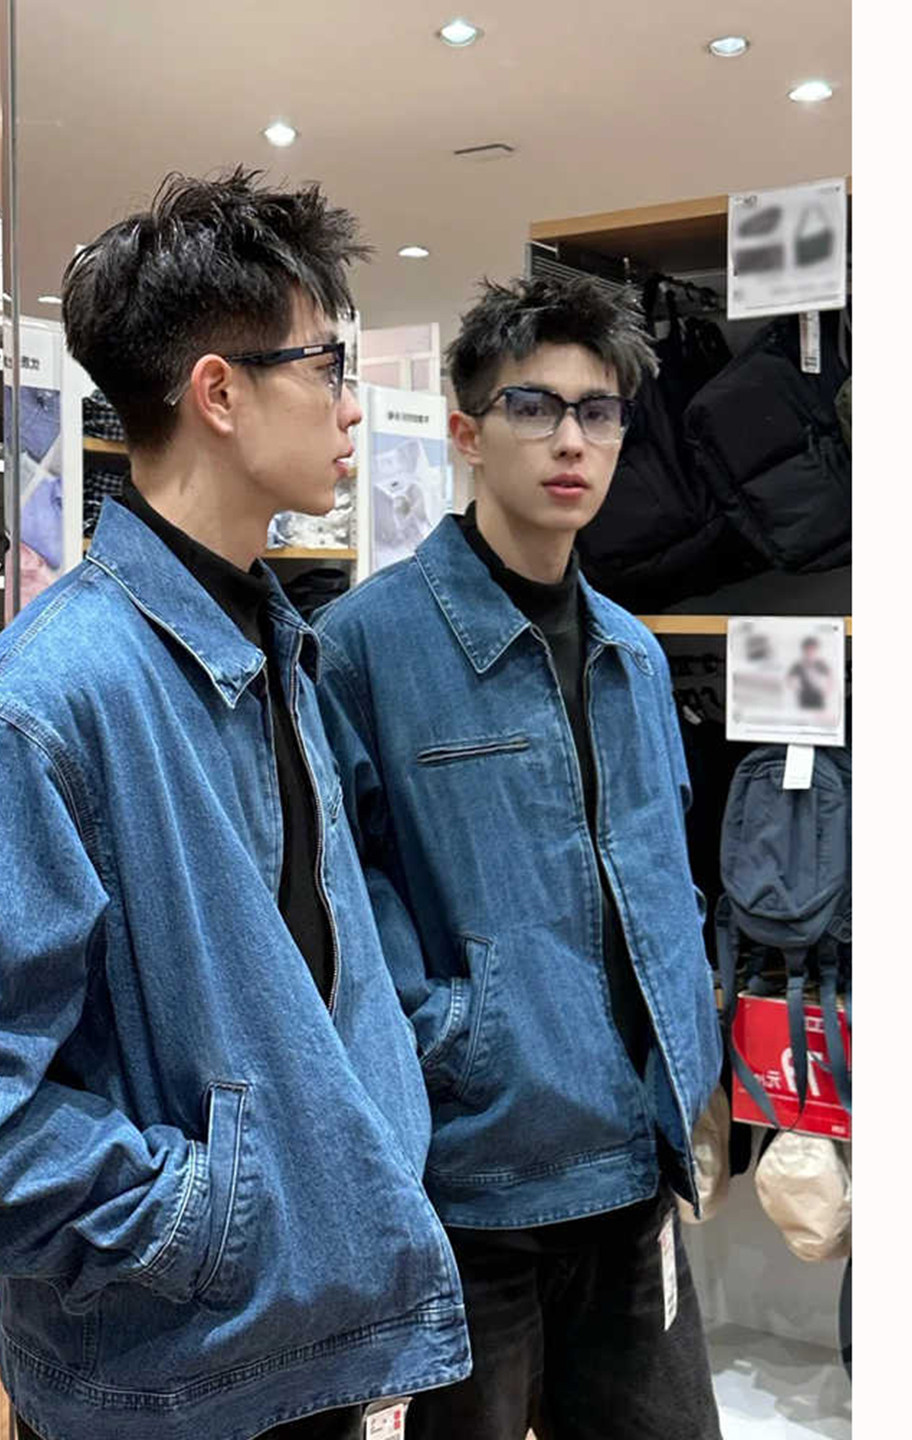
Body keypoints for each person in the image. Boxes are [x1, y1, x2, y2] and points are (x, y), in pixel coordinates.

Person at [0, 168, 470, 1440]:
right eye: (325, 366)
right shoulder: (48, 697)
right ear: (219, 393)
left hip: (293, 1341)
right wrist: (191, 1215)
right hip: (169, 1377)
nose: (350, 406)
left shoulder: (274, 648)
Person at [313, 274, 725, 1440]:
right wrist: (451, 1032)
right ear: (465, 431)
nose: (570, 441)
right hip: (474, 1186)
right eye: (533, 407)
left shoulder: (634, 652)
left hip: (636, 1166)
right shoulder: (362, 647)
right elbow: (339, 904)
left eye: (598, 413)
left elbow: (659, 878)